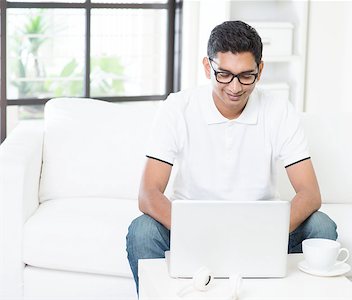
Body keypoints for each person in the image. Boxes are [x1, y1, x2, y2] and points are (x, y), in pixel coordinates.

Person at [126, 20, 337, 292]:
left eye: (246, 75)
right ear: (207, 67)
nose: (235, 87)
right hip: (192, 231)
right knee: (142, 231)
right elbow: (148, 194)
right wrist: (204, 233)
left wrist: (261, 233)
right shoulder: (178, 108)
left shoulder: (278, 110)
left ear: (260, 71)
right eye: (223, 74)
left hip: (260, 232)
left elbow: (310, 194)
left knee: (321, 226)